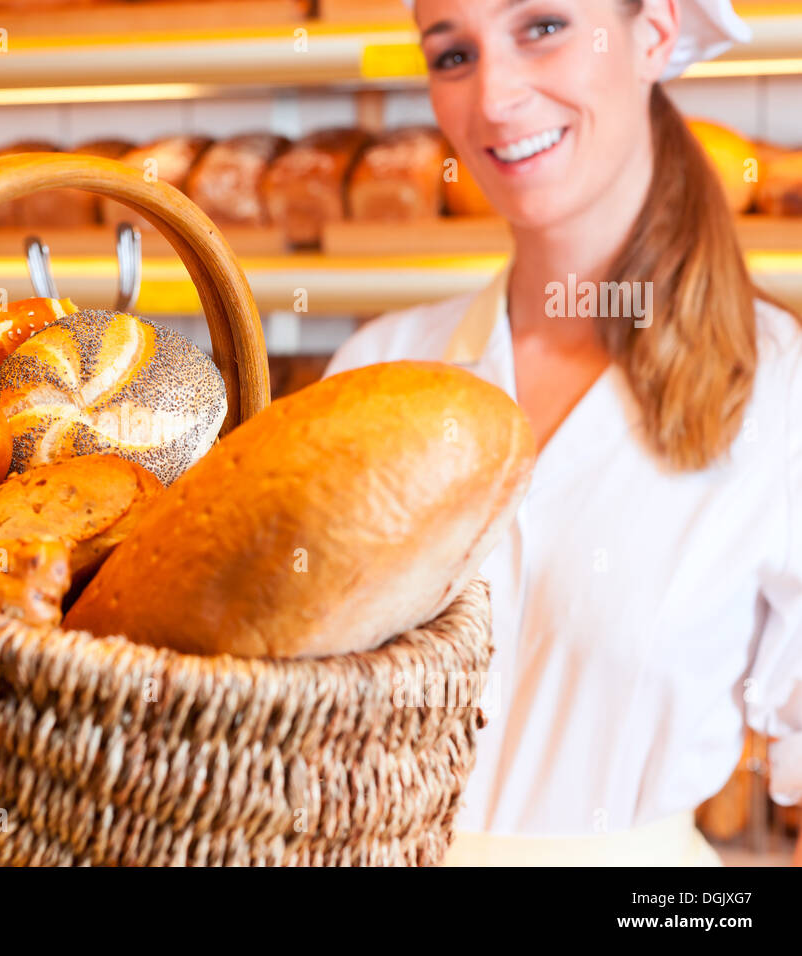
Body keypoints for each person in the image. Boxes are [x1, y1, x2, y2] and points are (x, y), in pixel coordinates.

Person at [324, 0, 802, 865]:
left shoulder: (779, 390)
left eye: (541, 27)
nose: (495, 99)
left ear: (653, 32)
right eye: (453, 54)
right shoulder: (379, 365)